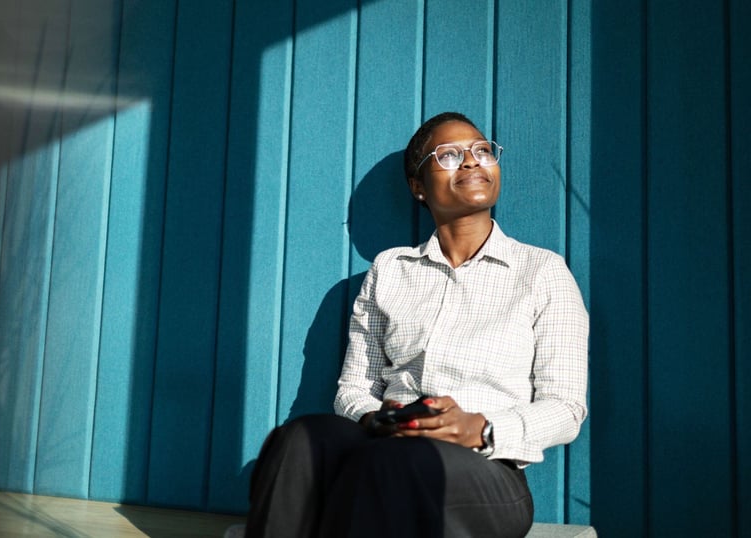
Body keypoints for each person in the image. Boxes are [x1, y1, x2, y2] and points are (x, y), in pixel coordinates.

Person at [239, 112, 589, 538]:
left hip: (486, 473)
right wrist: (378, 418)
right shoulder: (390, 270)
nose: (471, 161)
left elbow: (567, 409)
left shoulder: (542, 271)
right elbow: (352, 390)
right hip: (387, 447)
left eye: (482, 151)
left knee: (389, 465)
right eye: (449, 155)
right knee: (299, 439)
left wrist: (480, 427)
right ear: (418, 188)